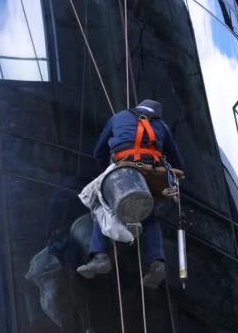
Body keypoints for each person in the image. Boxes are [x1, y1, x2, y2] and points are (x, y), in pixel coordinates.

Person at [76, 99, 185, 289]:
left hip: (123, 169)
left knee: (101, 208)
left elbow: (99, 151)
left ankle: (100, 256)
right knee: (150, 218)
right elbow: (177, 161)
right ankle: (157, 263)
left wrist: (106, 176)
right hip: (151, 173)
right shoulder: (161, 125)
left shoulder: (118, 117)